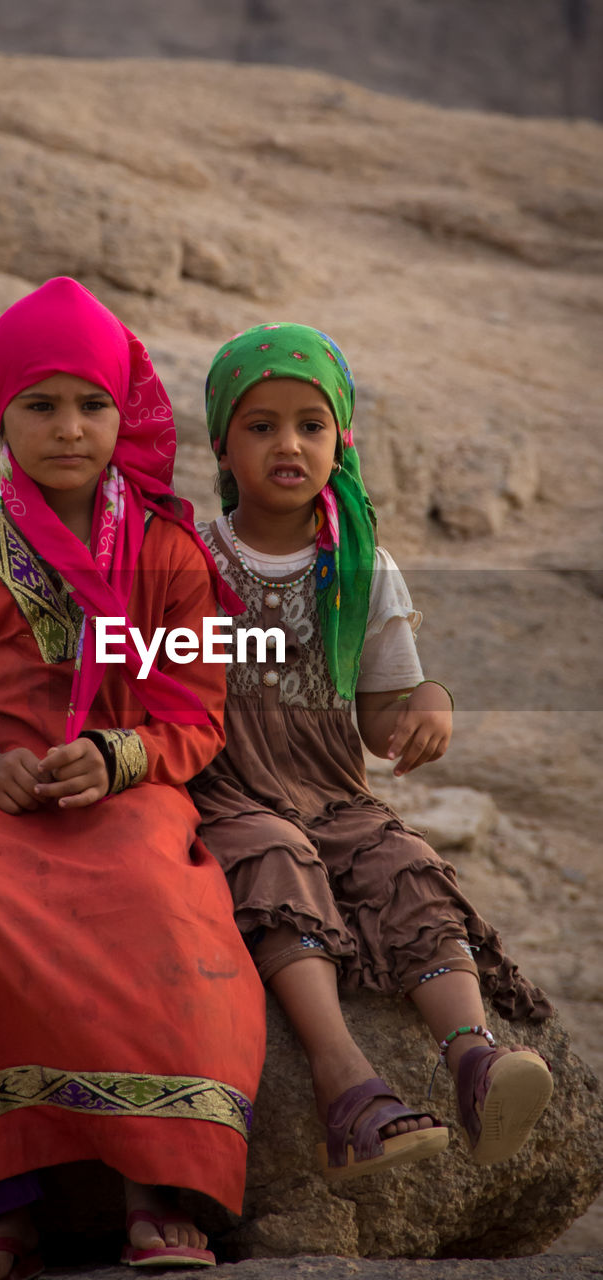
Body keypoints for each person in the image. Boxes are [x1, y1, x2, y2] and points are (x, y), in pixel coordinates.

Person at [0, 278, 266, 1277]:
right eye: (39, 405)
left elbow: (191, 711)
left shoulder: (166, 551)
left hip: (124, 794)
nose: (69, 429)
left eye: (90, 403)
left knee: (157, 902)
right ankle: (0, 1206)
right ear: (0, 414)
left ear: (120, 411)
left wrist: (118, 755)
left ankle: (155, 1189)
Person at [188, 321, 554, 1182]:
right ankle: (343, 1081)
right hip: (231, 791)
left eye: (311, 425)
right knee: (278, 864)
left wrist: (426, 703)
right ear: (221, 443)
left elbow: (383, 712)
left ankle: (472, 1060)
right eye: (261, 425)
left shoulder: (360, 566)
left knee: (405, 867)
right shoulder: (191, 559)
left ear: (339, 440)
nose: (288, 444)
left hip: (332, 790)